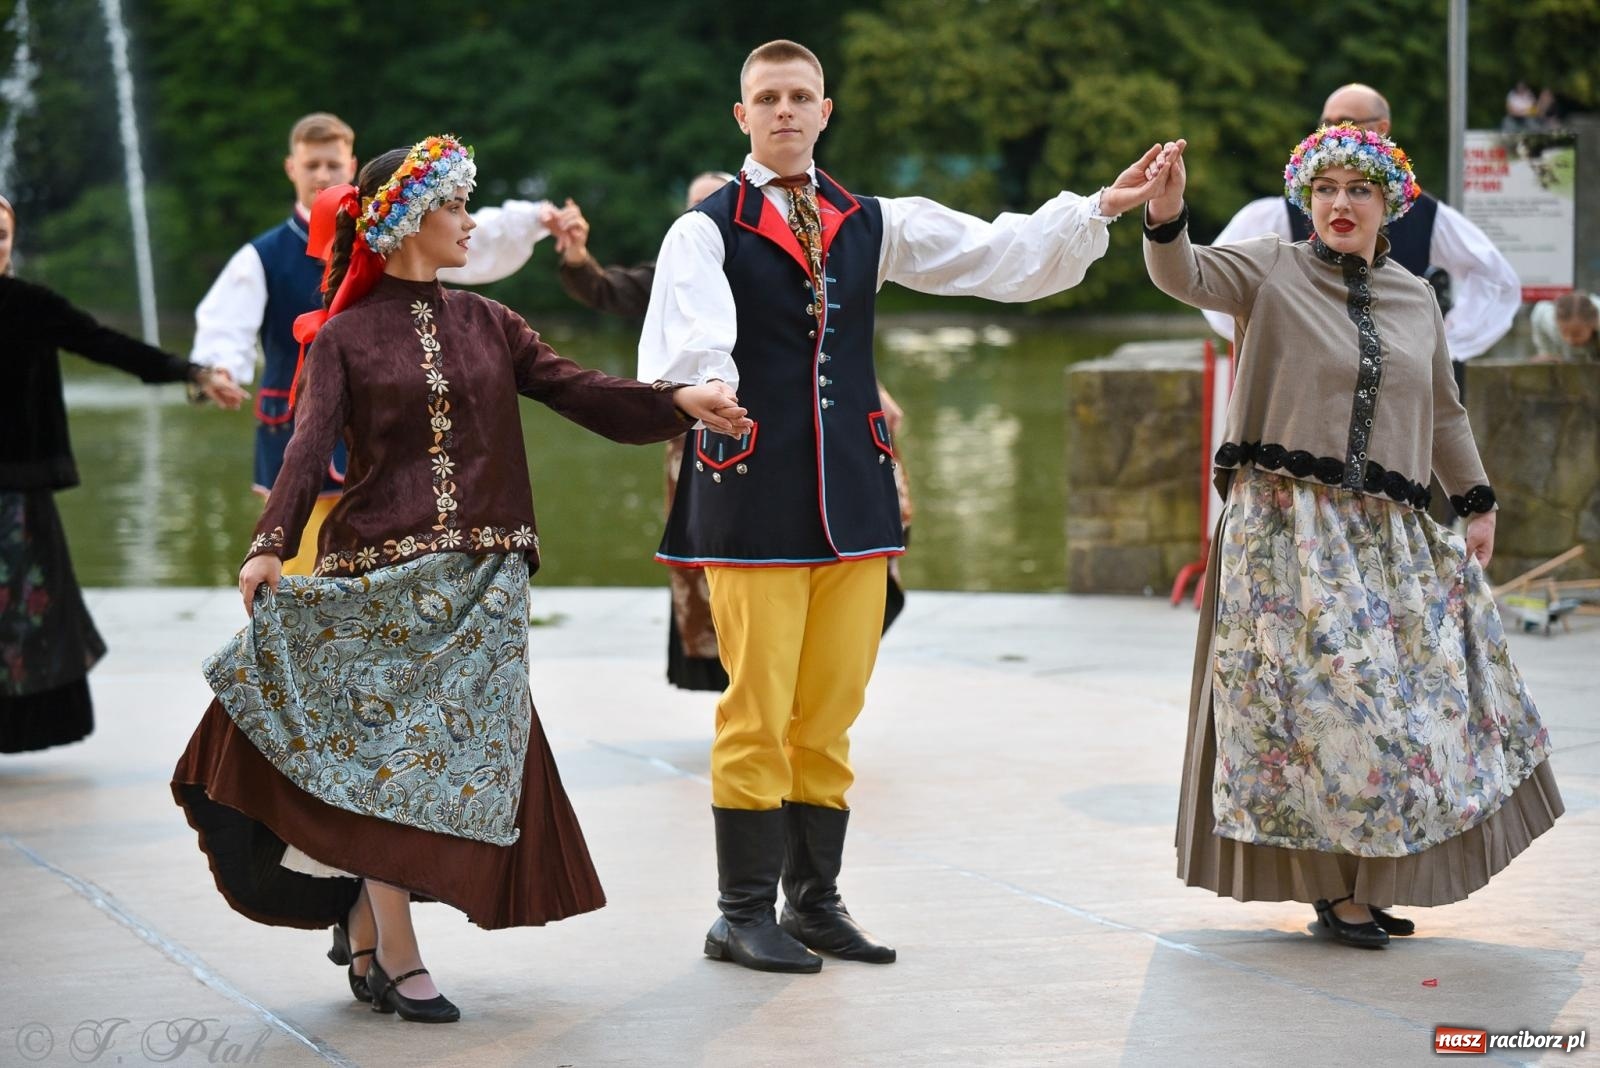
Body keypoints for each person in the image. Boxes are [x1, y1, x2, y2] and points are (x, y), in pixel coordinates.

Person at [171, 136, 748, 1022]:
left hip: (484, 587)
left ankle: (368, 928)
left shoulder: (492, 323)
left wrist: (673, 402)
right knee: (380, 767)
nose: (471, 221)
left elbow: (579, 389)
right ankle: (397, 952)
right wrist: (267, 545)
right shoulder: (343, 338)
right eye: (455, 206)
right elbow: (303, 449)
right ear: (406, 219)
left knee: (444, 771)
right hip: (377, 577)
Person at [639, 38, 1180, 973]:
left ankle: (813, 904)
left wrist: (1096, 208)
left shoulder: (871, 220)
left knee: (832, 712)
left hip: (853, 497)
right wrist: (710, 388)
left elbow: (993, 253)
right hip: (753, 499)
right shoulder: (705, 229)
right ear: (742, 116)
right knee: (757, 708)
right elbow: (688, 340)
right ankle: (739, 914)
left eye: (799, 96)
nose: (783, 111)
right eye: (766, 98)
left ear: (824, 109)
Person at [1142, 127, 1561, 948]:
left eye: (1358, 190)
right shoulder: (1267, 267)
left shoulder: (1416, 298)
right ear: (1307, 199)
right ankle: (1339, 895)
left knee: (1408, 716)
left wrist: (1477, 500)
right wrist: (1166, 211)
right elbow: (1181, 273)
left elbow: (1442, 409)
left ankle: (1367, 880)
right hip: (1284, 535)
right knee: (1328, 715)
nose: (1340, 203)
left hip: (1389, 538)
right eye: (1325, 188)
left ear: (1389, 204)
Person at [545, 174, 912, 691]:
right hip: (712, 436)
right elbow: (610, 289)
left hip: (805, 429)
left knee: (835, 545)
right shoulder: (687, 260)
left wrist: (875, 387)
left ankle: (808, 689)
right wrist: (578, 257)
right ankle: (749, 694)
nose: (705, 214)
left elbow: (826, 342)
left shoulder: (782, 256)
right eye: (695, 205)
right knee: (724, 567)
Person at [191, 113, 556, 576]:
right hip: (296, 431)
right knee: (301, 573)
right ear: (291, 168)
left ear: (352, 164)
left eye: (332, 165)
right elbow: (227, 323)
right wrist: (220, 368)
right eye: (312, 165)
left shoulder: (404, 235)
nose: (323, 175)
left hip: (383, 425)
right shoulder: (263, 255)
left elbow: (456, 237)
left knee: (378, 538)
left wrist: (534, 221)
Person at [1, 194, 246, 754]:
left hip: (15, 493)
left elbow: (104, 344)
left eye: (2, 234)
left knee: (21, 623)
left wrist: (192, 373)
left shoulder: (29, 305)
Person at [1203, 85, 1520, 402]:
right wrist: (1273, 342)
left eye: (1345, 121)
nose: (1333, 132)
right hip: (1306, 392)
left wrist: (1441, 346)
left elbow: (1495, 279)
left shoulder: (1425, 214)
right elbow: (1214, 279)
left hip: (1391, 395)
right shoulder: (1280, 212)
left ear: (1382, 129)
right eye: (1325, 123)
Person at [1530, 290, 1600, 362]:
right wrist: (1547, 352)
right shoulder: (1549, 321)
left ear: (1593, 324)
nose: (1570, 339)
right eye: (1564, 332)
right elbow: (1539, 311)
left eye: (1577, 334)